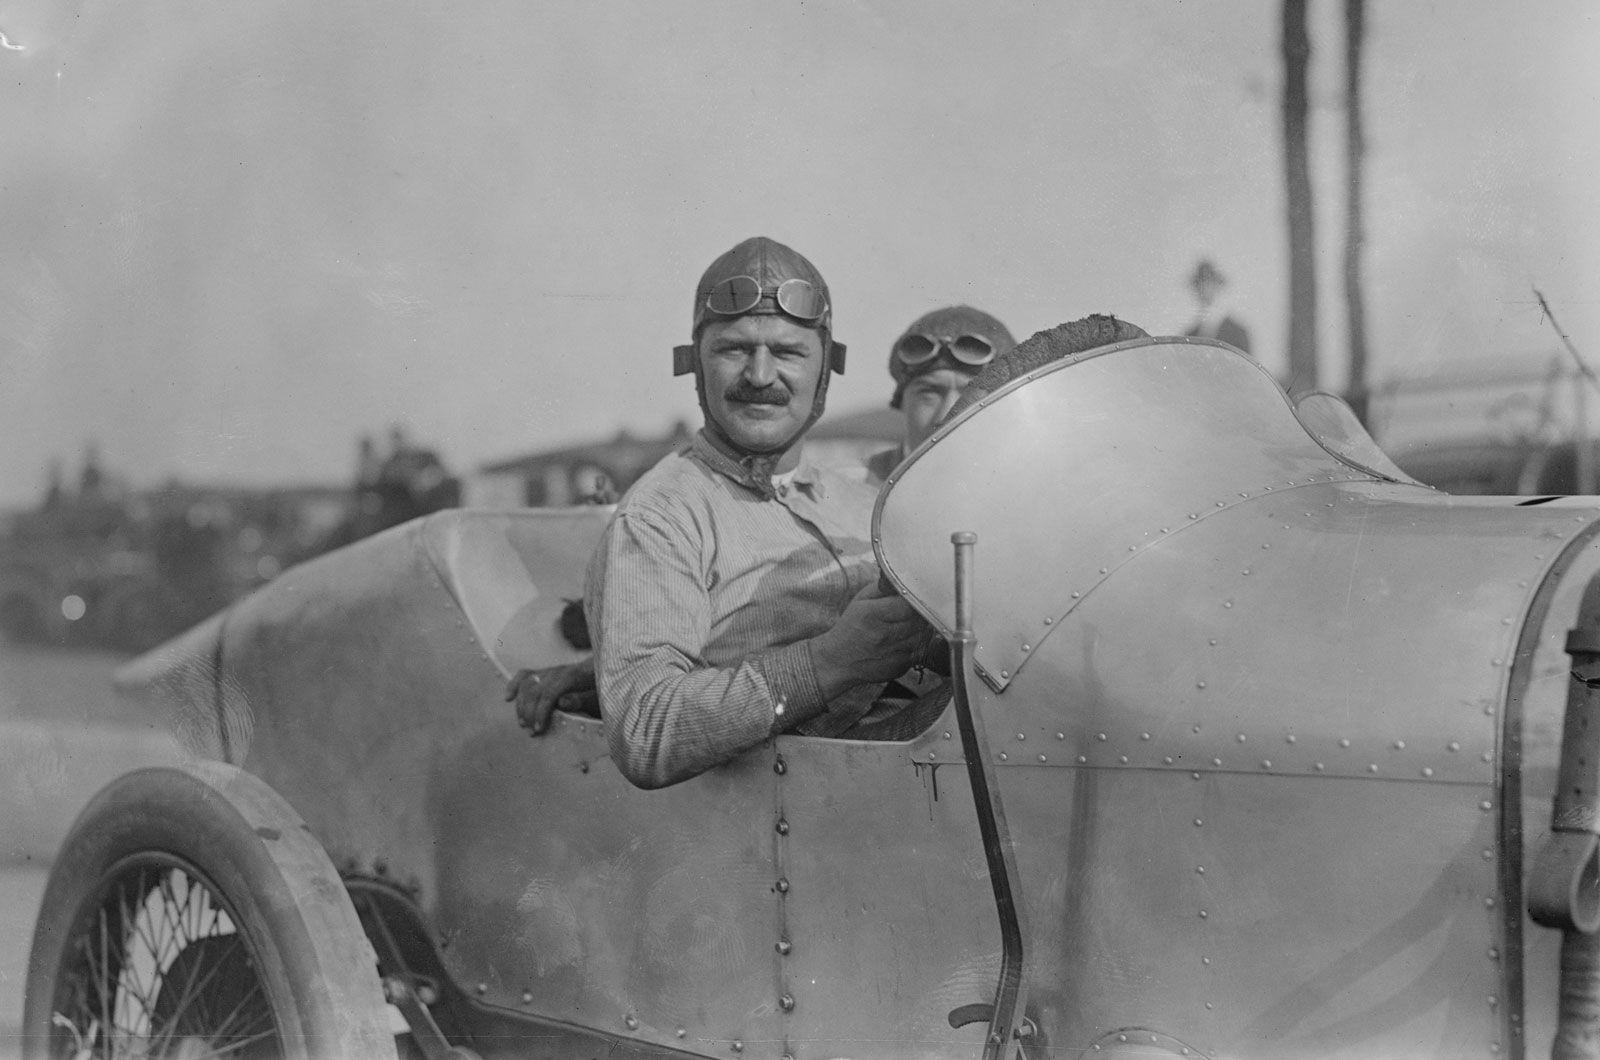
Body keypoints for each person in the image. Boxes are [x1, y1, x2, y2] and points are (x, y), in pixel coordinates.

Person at [508, 301, 1015, 736]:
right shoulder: (839, 495)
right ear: (899, 402)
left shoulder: (1029, 502)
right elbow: (764, 611)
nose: (951, 410)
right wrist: (597, 673)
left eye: (971, 392)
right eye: (929, 391)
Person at [574, 236, 935, 789]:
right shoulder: (659, 517)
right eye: (734, 349)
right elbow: (643, 729)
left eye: (788, 352)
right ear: (695, 365)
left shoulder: (862, 502)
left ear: (824, 371)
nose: (761, 376)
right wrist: (832, 662)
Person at [864, 305, 1017, 483]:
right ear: (902, 403)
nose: (947, 415)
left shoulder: (1038, 494)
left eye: (972, 396)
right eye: (928, 394)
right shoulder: (847, 489)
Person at [1183, 258, 1252, 355]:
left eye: (1209, 283)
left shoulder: (1237, 333)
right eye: (1200, 284)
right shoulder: (1190, 335)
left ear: (1218, 286)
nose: (1204, 289)